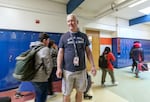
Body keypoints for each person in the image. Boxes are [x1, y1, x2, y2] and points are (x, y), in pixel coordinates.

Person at [56, 14, 97, 102]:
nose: (71, 23)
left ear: (77, 22)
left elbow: (88, 52)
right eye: (68, 21)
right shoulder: (64, 37)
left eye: (72, 20)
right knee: (66, 93)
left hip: (81, 71)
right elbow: (60, 53)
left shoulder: (83, 36)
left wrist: (93, 65)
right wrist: (59, 68)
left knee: (80, 92)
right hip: (67, 71)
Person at [30, 32, 53, 102]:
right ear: (44, 40)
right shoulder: (45, 49)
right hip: (41, 78)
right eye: (48, 40)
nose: (48, 42)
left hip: (33, 75)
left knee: (37, 96)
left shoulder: (33, 47)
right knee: (42, 98)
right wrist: (47, 75)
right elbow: (48, 65)